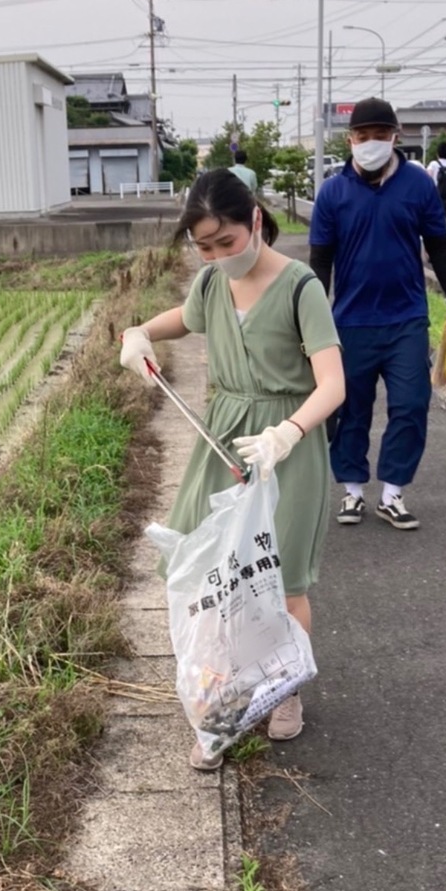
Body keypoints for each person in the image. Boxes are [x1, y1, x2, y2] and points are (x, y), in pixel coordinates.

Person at [120, 170, 345, 768]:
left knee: (281, 576)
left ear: (255, 220)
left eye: (227, 242)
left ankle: (284, 691)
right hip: (222, 438)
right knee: (211, 573)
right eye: (205, 246)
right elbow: (184, 317)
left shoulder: (301, 288)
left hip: (285, 447)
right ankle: (221, 709)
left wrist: (287, 432)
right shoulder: (212, 284)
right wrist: (140, 332)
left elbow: (333, 384)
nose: (219, 256)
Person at [309, 97, 446, 531]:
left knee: (411, 404)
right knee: (350, 409)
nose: (373, 143)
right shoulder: (333, 193)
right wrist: (311, 318)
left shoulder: (418, 186)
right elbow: (320, 262)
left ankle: (393, 494)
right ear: (351, 139)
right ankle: (353, 492)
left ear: (395, 136)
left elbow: (438, 246)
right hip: (350, 322)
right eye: (365, 136)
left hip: (406, 319)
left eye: (382, 135)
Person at [426, 140, 446, 237]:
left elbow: (427, 178)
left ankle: (435, 243)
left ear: (437, 153)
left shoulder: (434, 164)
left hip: (435, 197)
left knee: (433, 221)